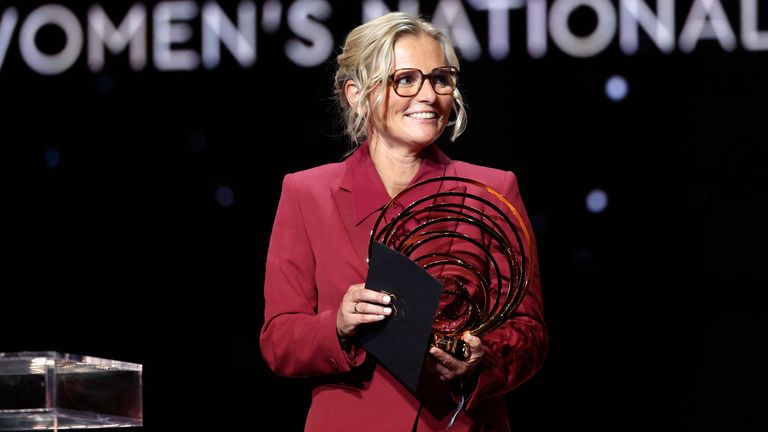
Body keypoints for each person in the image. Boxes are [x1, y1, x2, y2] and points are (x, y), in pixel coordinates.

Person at [259, 11, 548, 431]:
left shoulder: (493, 189)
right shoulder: (306, 194)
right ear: (356, 94)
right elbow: (279, 340)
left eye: (441, 78)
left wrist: (482, 358)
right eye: (406, 79)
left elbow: (530, 333)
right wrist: (337, 325)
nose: (428, 95)